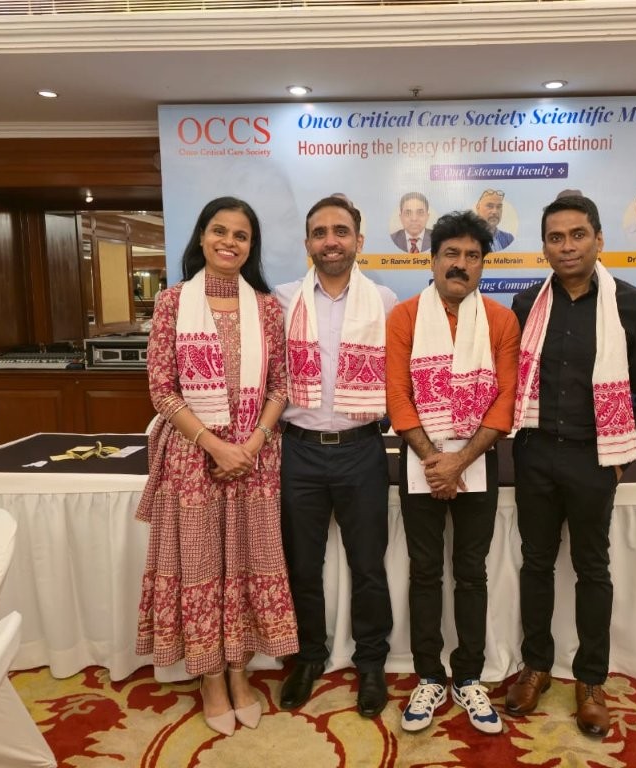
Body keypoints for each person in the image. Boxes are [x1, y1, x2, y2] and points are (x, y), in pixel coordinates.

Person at [135, 196, 298, 737]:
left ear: (251, 246)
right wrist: (214, 445)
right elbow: (162, 389)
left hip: (255, 458)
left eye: (241, 235)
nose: (229, 242)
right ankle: (209, 676)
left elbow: (281, 387)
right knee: (202, 566)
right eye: (219, 231)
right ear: (202, 237)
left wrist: (250, 444)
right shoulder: (171, 302)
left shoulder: (268, 308)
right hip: (192, 459)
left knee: (248, 561)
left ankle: (239, 671)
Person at [507, 195, 636, 736]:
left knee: (592, 569)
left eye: (578, 235)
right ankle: (535, 665)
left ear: (599, 239)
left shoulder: (635, 306)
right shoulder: (527, 304)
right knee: (535, 563)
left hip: (596, 459)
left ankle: (591, 679)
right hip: (535, 453)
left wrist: (623, 461)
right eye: (556, 238)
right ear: (544, 247)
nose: (567, 246)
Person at [386, 210, 520, 735]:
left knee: (471, 572)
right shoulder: (404, 317)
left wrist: (459, 462)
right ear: (433, 259)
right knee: (424, 571)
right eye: (451, 254)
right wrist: (433, 460)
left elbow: (505, 400)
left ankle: (467, 676)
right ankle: (428, 675)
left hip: (477, 462)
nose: (460, 264)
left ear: (483, 264)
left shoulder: (501, 321)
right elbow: (398, 396)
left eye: (472, 256)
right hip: (420, 460)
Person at [275, 196, 397, 718]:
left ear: (358, 241)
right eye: (320, 232)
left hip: (361, 451)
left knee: (368, 565)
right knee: (302, 564)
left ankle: (371, 662)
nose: (331, 241)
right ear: (307, 243)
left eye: (341, 231)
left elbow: (399, 374)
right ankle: (309, 656)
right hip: (298, 451)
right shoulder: (282, 300)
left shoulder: (384, 301)